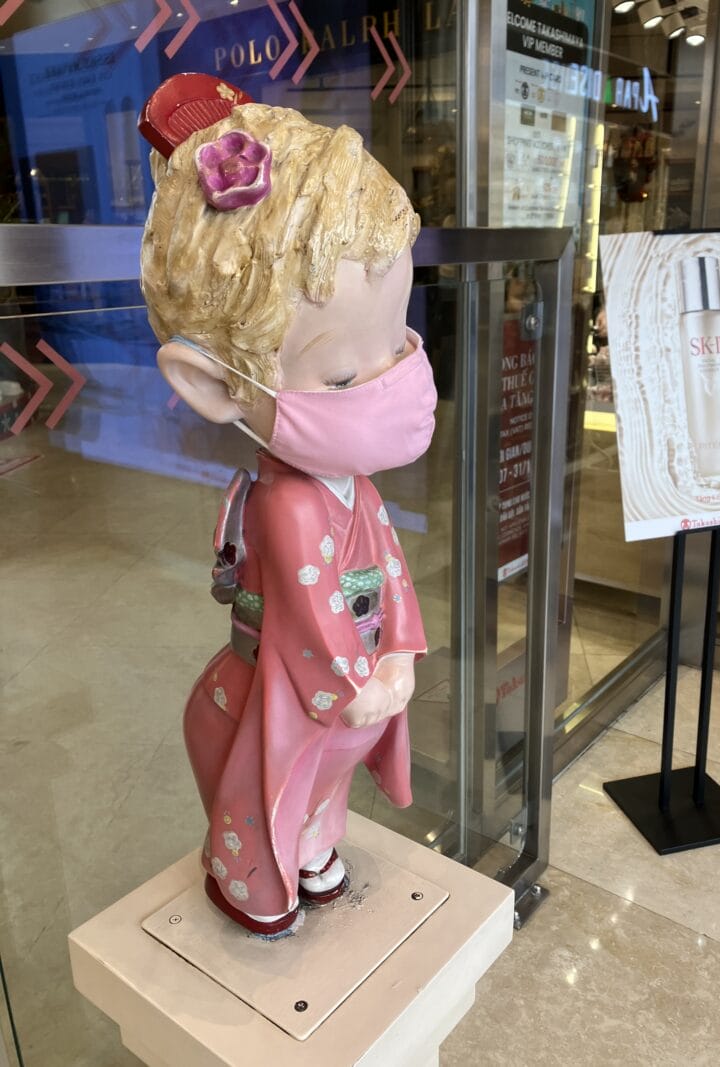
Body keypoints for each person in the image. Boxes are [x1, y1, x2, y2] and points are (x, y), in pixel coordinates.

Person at [138, 74, 437, 938]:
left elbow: (390, 571)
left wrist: (400, 649)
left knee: (321, 784)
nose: (390, 380)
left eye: (396, 339)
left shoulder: (356, 488)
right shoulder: (291, 507)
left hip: (355, 682)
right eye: (341, 376)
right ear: (212, 385)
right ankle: (257, 875)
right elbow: (311, 617)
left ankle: (313, 847)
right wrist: (362, 675)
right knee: (279, 778)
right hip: (301, 686)